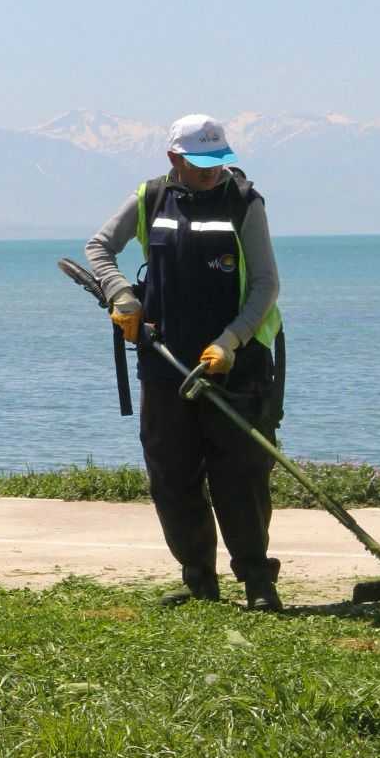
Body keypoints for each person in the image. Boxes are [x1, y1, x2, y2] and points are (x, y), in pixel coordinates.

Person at [85, 115, 285, 610]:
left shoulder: (244, 203)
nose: (212, 172)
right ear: (174, 159)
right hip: (164, 362)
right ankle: (199, 579)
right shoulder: (151, 198)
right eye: (200, 165)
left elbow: (265, 285)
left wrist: (231, 341)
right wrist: (123, 297)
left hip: (235, 366)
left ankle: (258, 581)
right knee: (172, 477)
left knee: (241, 476)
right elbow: (98, 248)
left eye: (219, 162)